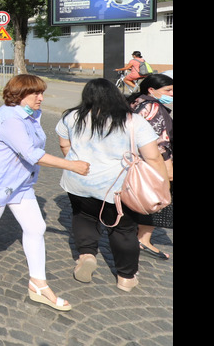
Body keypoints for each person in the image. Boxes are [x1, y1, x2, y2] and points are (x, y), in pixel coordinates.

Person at [0, 74, 90, 312]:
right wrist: (72, 165)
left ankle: (38, 283)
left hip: (19, 182)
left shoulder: (32, 114)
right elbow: (32, 154)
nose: (41, 98)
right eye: (35, 93)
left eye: (41, 92)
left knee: (36, 228)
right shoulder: (10, 118)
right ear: (19, 95)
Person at [56, 78, 168, 293]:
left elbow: (64, 144)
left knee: (84, 217)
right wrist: (161, 186)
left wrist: (75, 165)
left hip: (79, 182)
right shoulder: (134, 122)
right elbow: (153, 158)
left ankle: (87, 255)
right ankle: (126, 277)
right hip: (119, 188)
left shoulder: (72, 116)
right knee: (123, 229)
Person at [127, 73, 174, 260]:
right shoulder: (154, 107)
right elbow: (159, 142)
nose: (171, 94)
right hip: (151, 161)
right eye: (168, 91)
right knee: (156, 198)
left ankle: (134, 231)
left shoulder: (136, 102)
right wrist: (167, 168)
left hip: (134, 159)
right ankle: (143, 239)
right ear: (151, 90)